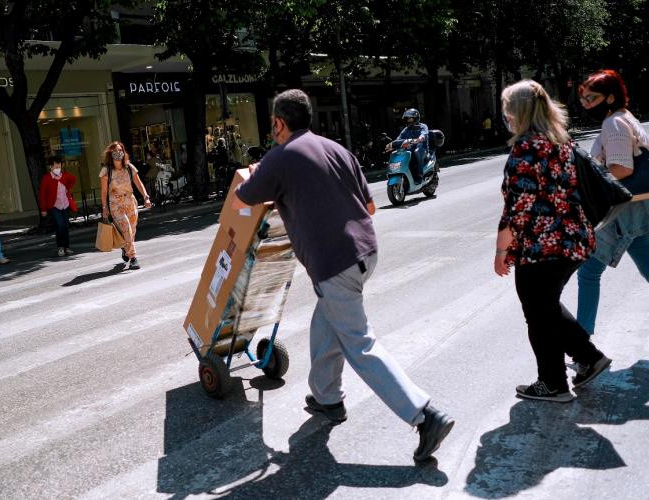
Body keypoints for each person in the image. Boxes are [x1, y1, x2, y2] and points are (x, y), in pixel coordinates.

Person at [232, 89, 454, 462]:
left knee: (359, 344)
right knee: (327, 322)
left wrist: (255, 176)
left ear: (279, 123)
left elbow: (242, 198)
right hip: (366, 252)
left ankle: (424, 415)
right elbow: (369, 206)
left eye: (272, 123)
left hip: (334, 263)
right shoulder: (336, 149)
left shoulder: (279, 158)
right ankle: (327, 398)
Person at [495, 80, 611, 403]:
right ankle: (588, 358)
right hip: (573, 242)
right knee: (545, 306)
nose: (505, 115)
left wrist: (500, 251)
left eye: (507, 110)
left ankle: (553, 382)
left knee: (537, 311)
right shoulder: (562, 143)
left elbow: (517, 210)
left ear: (518, 113)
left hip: (541, 248)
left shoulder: (526, 151)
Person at [575, 69, 649, 335]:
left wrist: (591, 181)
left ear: (609, 97)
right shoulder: (624, 118)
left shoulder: (614, 124)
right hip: (636, 207)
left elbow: (622, 169)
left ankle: (583, 344)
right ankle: (583, 343)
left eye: (591, 98)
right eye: (583, 99)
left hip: (622, 209)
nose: (585, 104)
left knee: (589, 272)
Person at [99, 141, 152, 270]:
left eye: (120, 150)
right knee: (126, 227)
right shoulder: (106, 171)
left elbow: (139, 184)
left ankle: (125, 247)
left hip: (130, 201)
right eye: (115, 150)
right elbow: (104, 192)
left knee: (132, 230)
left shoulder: (129, 167)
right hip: (115, 203)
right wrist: (105, 208)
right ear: (110, 153)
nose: (118, 152)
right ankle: (133, 258)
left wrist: (146, 197)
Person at [39, 155, 78, 257]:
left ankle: (67, 247)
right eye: (56, 167)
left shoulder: (64, 175)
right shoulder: (46, 178)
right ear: (51, 167)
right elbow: (42, 195)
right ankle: (60, 247)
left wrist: (67, 188)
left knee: (65, 226)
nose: (58, 169)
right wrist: (43, 209)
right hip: (54, 206)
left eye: (59, 166)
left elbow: (73, 179)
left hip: (65, 204)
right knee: (60, 225)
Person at [390, 108, 429, 184]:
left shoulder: (423, 126)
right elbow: (399, 138)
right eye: (407, 119)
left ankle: (419, 175)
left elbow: (424, 133)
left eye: (410, 119)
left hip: (422, 149)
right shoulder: (406, 129)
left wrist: (420, 138)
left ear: (416, 118)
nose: (408, 121)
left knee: (417, 152)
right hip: (410, 149)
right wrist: (394, 143)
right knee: (396, 153)